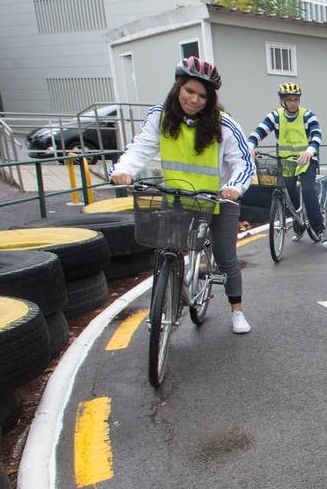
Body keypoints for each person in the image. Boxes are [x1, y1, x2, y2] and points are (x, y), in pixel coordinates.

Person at [109, 56, 256, 334]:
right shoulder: (160, 117)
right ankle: (174, 293)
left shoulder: (224, 125)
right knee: (168, 249)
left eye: (202, 95)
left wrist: (234, 187)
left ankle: (236, 311)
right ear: (178, 88)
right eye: (190, 91)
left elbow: (244, 163)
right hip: (177, 198)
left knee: (226, 258)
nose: (195, 99)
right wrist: (124, 170)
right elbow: (140, 147)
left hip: (217, 200)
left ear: (210, 99)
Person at [247, 82, 327, 247]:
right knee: (289, 195)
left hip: (306, 161)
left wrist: (309, 151)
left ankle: (320, 231)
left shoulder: (307, 115)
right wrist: (250, 145)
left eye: (296, 99)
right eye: (289, 100)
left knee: (307, 191)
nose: (293, 103)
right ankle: (299, 226)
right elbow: (259, 131)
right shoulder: (275, 116)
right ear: (282, 101)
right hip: (285, 162)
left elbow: (317, 135)